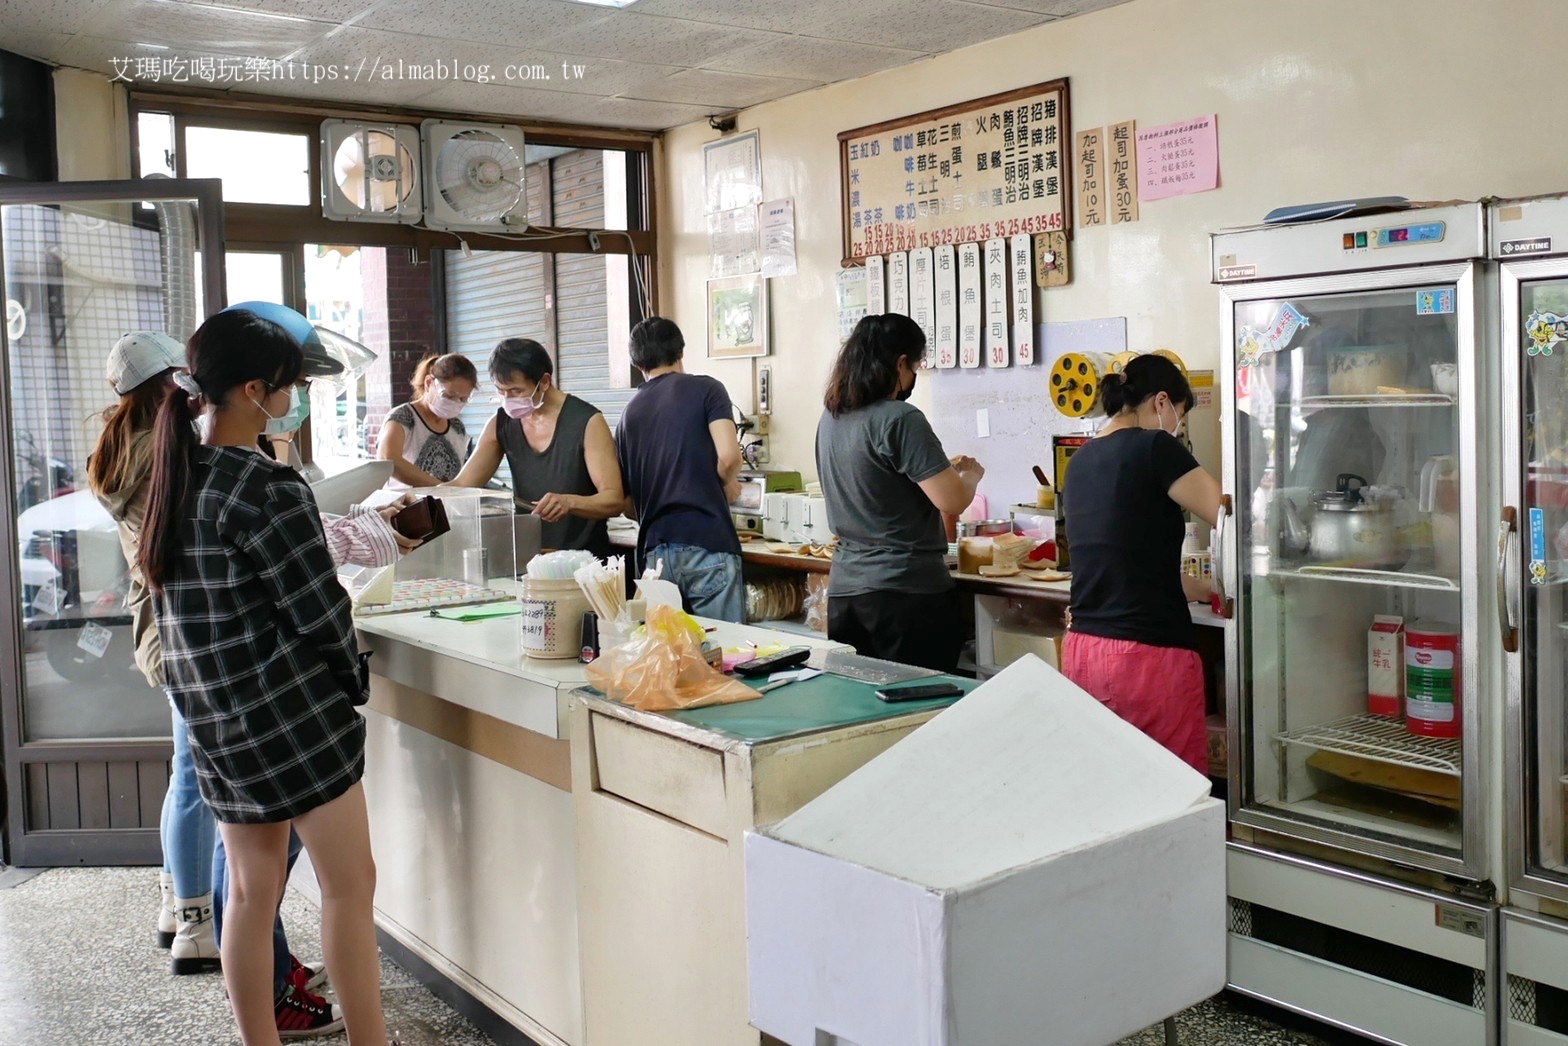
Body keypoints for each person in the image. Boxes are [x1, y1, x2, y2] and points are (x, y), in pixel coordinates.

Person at [139, 309, 392, 1045]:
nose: (296, 398)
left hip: (217, 722)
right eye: (289, 386)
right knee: (350, 887)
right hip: (293, 722)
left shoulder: (176, 480)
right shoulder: (268, 489)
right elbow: (321, 613)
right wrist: (352, 683)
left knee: (249, 894)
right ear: (255, 390)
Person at [1059, 353, 1221, 775]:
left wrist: (1206, 590)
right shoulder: (1156, 446)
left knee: (1107, 784)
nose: (1178, 428)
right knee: (1171, 789)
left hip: (1084, 650)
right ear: (1162, 402)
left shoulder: (1080, 462)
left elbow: (1132, 559)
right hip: (1147, 658)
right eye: (1180, 417)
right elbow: (1224, 511)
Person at [815, 314, 984, 672]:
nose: (913, 378)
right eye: (916, 366)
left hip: (846, 591)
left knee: (862, 708)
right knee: (919, 710)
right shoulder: (901, 418)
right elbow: (951, 500)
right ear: (901, 362)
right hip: (905, 595)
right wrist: (969, 476)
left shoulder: (831, 419)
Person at [616, 317, 745, 621]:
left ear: (638, 365)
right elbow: (728, 456)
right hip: (707, 544)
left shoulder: (628, 414)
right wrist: (727, 485)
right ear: (681, 352)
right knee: (725, 653)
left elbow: (626, 505)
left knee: (668, 656)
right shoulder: (708, 390)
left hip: (654, 556)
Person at [454, 337, 623, 556]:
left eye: (516, 391)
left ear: (544, 382)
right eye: (500, 391)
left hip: (585, 563)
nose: (507, 400)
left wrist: (570, 502)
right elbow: (462, 485)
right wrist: (420, 500)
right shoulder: (501, 423)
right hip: (530, 560)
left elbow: (614, 499)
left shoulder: (587, 422)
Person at [377, 352, 477, 487]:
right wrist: (440, 488)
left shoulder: (457, 427)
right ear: (429, 383)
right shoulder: (402, 418)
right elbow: (388, 459)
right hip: (405, 505)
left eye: (462, 399)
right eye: (448, 395)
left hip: (446, 505)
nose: (455, 403)